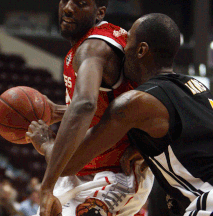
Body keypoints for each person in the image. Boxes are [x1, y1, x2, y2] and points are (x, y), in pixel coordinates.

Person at [28, 13, 213, 215]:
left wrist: (46, 143)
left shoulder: (134, 103)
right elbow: (189, 136)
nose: (123, 49)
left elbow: (71, 163)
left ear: (141, 50)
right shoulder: (194, 87)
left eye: (128, 43)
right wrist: (141, 147)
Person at [26, 0, 154, 215]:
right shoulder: (96, 42)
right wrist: (57, 111)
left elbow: (85, 105)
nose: (67, 8)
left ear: (99, 12)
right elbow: (112, 108)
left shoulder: (94, 47)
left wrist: (48, 162)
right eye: (64, 0)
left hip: (114, 174)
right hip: (84, 170)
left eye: (80, 3)